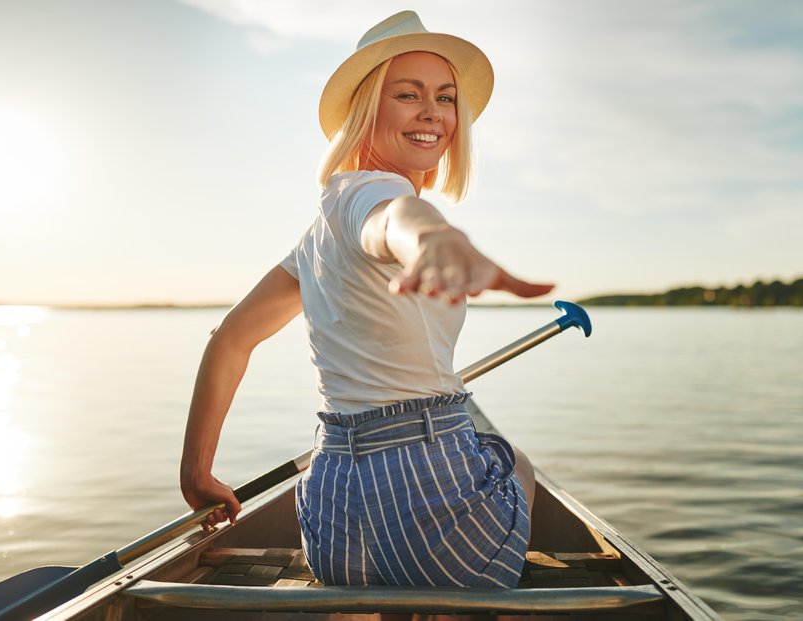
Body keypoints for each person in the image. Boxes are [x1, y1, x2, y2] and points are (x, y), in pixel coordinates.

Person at [180, 11, 554, 588]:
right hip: (433, 507)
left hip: (333, 520)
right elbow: (396, 221)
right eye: (408, 94)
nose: (433, 112)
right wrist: (436, 240)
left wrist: (197, 473)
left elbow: (229, 339)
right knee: (516, 464)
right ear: (367, 111)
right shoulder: (378, 195)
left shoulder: (317, 233)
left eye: (446, 97)